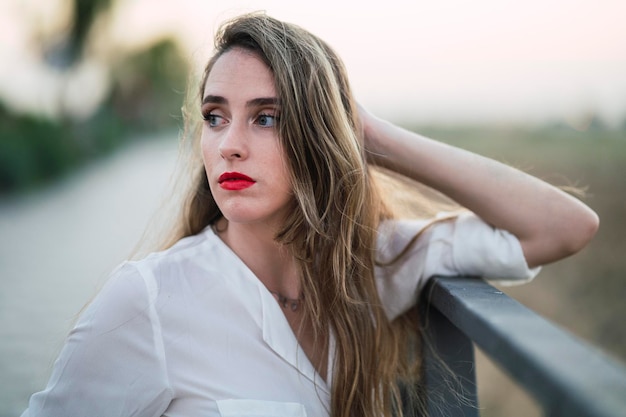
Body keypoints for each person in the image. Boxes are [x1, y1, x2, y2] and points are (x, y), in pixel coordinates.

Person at [21, 12, 598, 417]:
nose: (230, 145)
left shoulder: (373, 265)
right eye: (216, 116)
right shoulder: (146, 301)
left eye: (266, 117)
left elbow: (563, 227)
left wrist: (373, 137)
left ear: (319, 136)